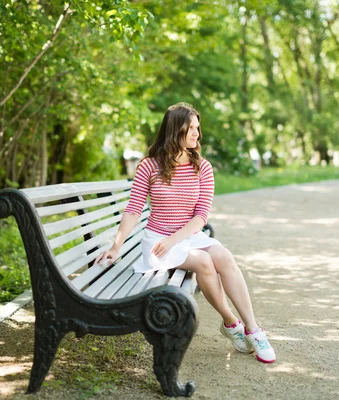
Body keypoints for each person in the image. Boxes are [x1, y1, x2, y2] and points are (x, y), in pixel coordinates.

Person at [96, 102, 276, 363]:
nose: (196, 134)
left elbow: (201, 216)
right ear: (174, 130)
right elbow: (134, 208)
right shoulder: (149, 166)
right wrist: (116, 246)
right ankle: (231, 323)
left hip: (184, 236)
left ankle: (253, 329)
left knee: (223, 256)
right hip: (157, 241)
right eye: (190, 128)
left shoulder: (202, 167)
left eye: (197, 128)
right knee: (204, 261)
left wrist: (174, 239)